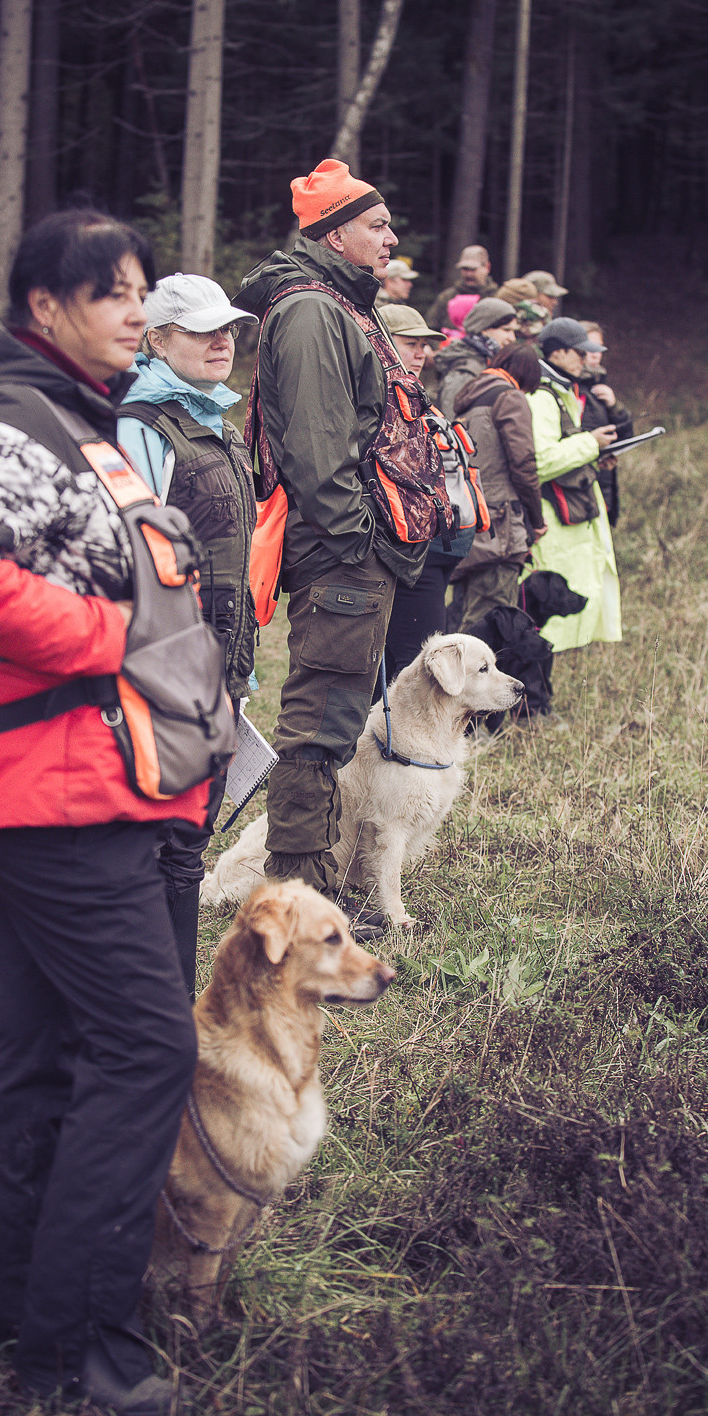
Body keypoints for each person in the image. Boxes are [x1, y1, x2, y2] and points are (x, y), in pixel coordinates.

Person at [0, 210, 213, 1416]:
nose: (137, 311)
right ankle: (79, 1347)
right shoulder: (9, 421)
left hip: (93, 779)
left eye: (140, 289)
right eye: (112, 293)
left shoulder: (76, 417)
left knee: (39, 1051)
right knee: (146, 1047)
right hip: (57, 788)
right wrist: (109, 638)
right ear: (46, 308)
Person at [239, 160, 446, 918]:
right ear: (333, 234)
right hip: (343, 555)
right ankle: (297, 896)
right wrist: (358, 542)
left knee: (336, 720)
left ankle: (317, 885)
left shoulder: (342, 306)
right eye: (376, 225)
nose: (391, 238)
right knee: (320, 726)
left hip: (355, 554)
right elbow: (317, 449)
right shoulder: (310, 313)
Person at [117, 272, 258, 995]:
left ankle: (165, 1007)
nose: (220, 340)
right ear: (157, 339)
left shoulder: (216, 422)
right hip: (166, 670)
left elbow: (231, 563)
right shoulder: (142, 426)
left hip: (217, 669)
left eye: (225, 328)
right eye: (201, 330)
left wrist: (240, 676)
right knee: (162, 844)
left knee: (186, 843)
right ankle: (151, 1007)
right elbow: (132, 559)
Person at [377, 304, 469, 680]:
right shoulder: (379, 399)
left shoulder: (415, 398)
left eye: (424, 345)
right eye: (410, 343)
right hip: (412, 551)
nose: (421, 353)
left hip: (438, 547)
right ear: (382, 344)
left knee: (401, 656)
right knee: (417, 662)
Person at [526, 315, 621, 653]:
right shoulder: (541, 396)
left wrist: (593, 457)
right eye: (579, 352)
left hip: (568, 514)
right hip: (553, 518)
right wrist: (591, 443)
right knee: (551, 611)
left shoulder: (560, 390)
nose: (586, 359)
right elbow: (540, 461)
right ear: (557, 353)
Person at [449, 342, 546, 631]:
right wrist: (536, 520)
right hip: (500, 527)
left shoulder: (471, 398)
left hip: (469, 518)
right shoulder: (510, 397)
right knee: (492, 621)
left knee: (464, 613)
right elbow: (524, 464)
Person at [577, 320, 632, 527]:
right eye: (589, 347)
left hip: (603, 481)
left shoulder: (599, 384)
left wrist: (615, 407)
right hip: (579, 485)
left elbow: (624, 435)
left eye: (599, 348)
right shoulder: (568, 387)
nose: (595, 354)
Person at [434, 294, 519, 419]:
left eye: (514, 331)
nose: (512, 338)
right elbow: (452, 419)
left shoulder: (486, 360)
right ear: (484, 328)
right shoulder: (466, 369)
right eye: (506, 330)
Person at [427, 244, 497, 337]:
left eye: (473, 269)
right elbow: (431, 328)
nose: (468, 274)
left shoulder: (497, 297)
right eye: (465, 269)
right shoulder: (447, 297)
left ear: (487, 267)